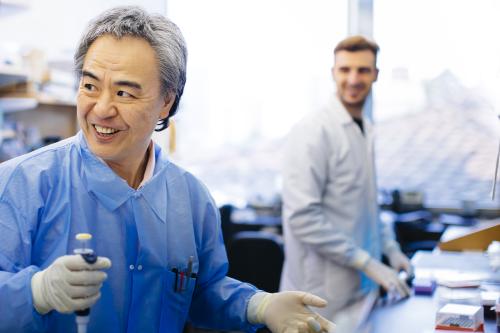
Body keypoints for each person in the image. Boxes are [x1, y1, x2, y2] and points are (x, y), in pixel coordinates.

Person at [0, 6, 336, 333]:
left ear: (166, 101)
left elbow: (201, 292)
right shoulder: (23, 183)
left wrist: (258, 306)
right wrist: (37, 292)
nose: (101, 108)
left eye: (124, 92)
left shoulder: (190, 199)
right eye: (90, 86)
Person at [280, 36, 412, 320]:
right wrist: (366, 262)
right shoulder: (312, 131)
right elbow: (302, 218)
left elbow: (366, 205)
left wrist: (390, 248)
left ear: (375, 74)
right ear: (333, 73)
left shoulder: (365, 128)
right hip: (318, 295)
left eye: (363, 70)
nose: (353, 79)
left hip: (359, 292)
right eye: (345, 70)